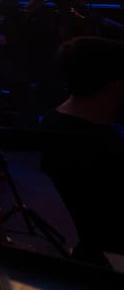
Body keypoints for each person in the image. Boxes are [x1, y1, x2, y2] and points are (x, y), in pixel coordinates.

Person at [38, 36, 124, 264]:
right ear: (115, 86)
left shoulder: (54, 121)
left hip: (92, 248)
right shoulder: (104, 150)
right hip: (113, 255)